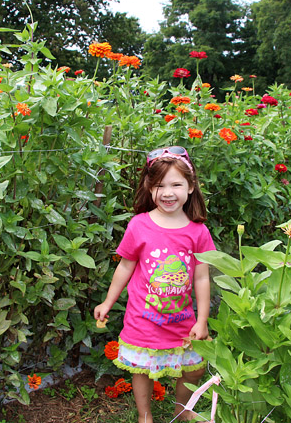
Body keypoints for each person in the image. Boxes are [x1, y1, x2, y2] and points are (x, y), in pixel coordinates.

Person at [94, 146, 215, 423]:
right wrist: (108, 302)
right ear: (149, 188)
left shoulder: (198, 231)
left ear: (191, 186)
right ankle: (144, 416)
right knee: (142, 370)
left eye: (176, 184)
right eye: (160, 185)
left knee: (194, 368)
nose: (168, 192)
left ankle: (182, 411)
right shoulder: (140, 225)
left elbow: (201, 276)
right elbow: (125, 266)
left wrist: (203, 320)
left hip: (182, 320)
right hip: (143, 317)